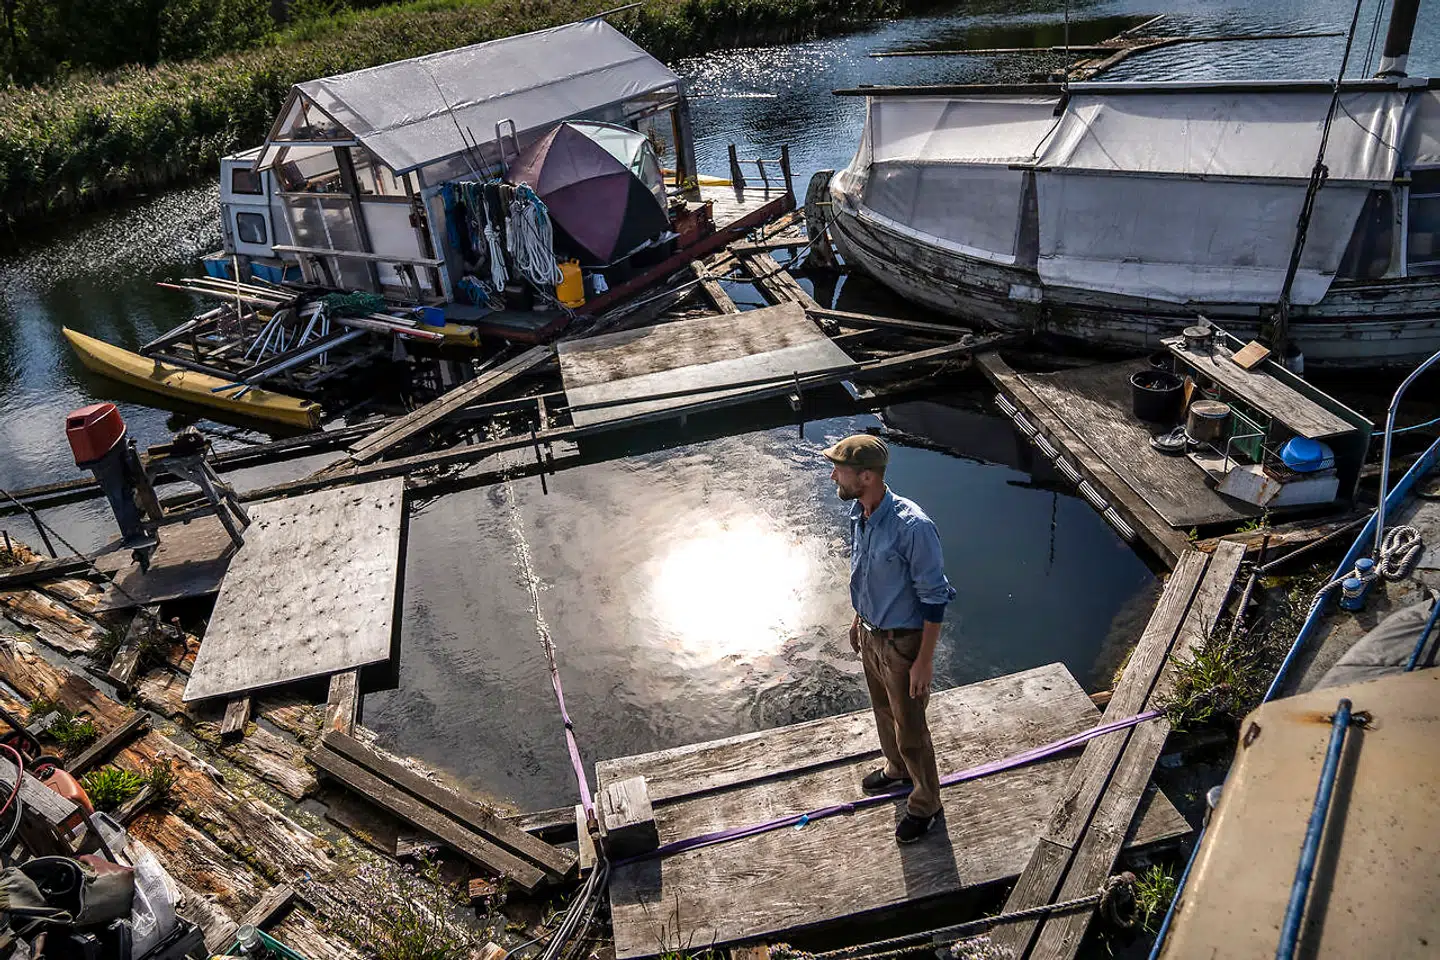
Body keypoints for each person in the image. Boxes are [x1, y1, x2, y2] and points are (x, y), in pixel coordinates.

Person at [824, 433, 955, 844]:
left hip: (903, 644)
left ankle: (925, 803)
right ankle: (897, 769)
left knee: (911, 727)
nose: (833, 477)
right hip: (870, 635)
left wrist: (924, 661)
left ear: (866, 476)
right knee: (883, 711)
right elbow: (867, 575)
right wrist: (857, 619)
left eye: (840, 471)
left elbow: (935, 599)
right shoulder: (860, 513)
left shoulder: (912, 527)